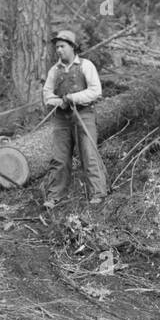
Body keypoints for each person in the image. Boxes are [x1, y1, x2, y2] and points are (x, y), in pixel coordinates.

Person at [41, 29, 108, 208]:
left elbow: (96, 91)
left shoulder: (86, 66)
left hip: (84, 114)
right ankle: (55, 196)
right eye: (57, 47)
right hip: (61, 118)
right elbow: (47, 95)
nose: (59, 51)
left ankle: (98, 193)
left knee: (88, 152)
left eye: (62, 46)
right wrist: (59, 102)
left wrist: (73, 98)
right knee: (59, 157)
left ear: (72, 47)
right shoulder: (54, 71)